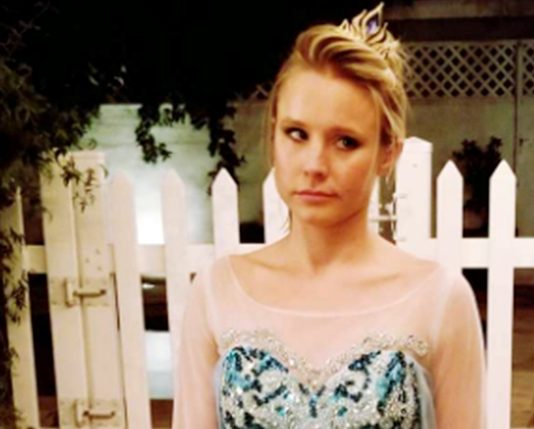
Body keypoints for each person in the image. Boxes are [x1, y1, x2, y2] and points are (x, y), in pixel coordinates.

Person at [172, 3, 486, 428]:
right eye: (297, 134)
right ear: (273, 134)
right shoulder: (217, 293)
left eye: (345, 142)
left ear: (387, 152)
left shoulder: (439, 300)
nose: (315, 164)